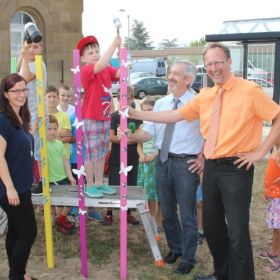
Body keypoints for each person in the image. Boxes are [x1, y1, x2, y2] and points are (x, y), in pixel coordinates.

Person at [128, 43, 280, 280]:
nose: (213, 68)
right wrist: (137, 114)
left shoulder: (249, 90)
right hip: (211, 167)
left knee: (238, 232)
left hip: (236, 169)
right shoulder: (206, 96)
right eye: (209, 63)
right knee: (211, 227)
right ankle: (222, 273)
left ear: (229, 62)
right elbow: (174, 115)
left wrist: (260, 152)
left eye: (218, 62)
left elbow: (277, 116)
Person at [127, 61, 204, 275]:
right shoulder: (161, 103)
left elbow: (210, 133)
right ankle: (175, 248)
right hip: (162, 161)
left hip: (185, 164)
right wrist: (132, 137)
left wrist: (203, 159)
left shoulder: (198, 102)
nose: (170, 77)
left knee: (186, 213)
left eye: (175, 74)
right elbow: (149, 133)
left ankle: (188, 258)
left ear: (188, 79)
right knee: (167, 211)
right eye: (169, 73)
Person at [0, 73, 37, 280]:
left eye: (24, 89)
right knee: (28, 232)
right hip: (10, 188)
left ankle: (18, 273)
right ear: (5, 94)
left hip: (22, 186)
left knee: (15, 229)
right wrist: (10, 187)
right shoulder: (3, 120)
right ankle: (17, 275)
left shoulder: (19, 119)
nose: (21, 94)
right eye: (16, 91)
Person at [76, 35, 121, 198]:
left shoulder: (106, 68)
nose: (95, 54)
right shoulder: (87, 69)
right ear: (82, 58)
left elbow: (118, 73)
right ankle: (89, 184)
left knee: (101, 152)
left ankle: (99, 183)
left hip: (104, 117)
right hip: (90, 117)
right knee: (90, 152)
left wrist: (125, 64)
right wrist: (114, 45)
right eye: (90, 53)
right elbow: (101, 63)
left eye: (97, 51)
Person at [103, 87, 142, 226]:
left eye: (128, 97)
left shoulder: (137, 116)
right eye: (121, 97)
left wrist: (131, 138)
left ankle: (128, 213)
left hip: (132, 157)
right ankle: (109, 213)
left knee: (130, 184)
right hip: (117, 157)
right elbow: (110, 136)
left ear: (132, 99)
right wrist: (121, 140)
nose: (125, 100)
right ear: (118, 99)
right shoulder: (115, 116)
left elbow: (140, 135)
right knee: (114, 184)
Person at [18, 40, 47, 183]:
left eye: (35, 47)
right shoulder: (24, 64)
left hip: (36, 113)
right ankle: (31, 179)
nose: (31, 49)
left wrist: (24, 57)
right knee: (27, 149)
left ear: (40, 49)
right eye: (28, 46)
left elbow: (24, 79)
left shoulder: (38, 64)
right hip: (25, 113)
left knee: (38, 150)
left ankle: (42, 180)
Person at [47, 115, 76, 235]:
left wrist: (70, 176)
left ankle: (60, 219)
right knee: (59, 202)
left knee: (72, 199)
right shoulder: (42, 145)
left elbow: (66, 161)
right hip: (51, 180)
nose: (53, 131)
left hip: (63, 177)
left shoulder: (59, 144)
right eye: (49, 129)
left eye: (55, 128)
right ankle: (60, 221)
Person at [137, 97, 162, 230]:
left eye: (150, 110)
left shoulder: (160, 125)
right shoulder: (142, 126)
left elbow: (164, 145)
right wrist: (141, 155)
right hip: (146, 164)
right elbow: (139, 145)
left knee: (161, 194)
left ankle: (160, 221)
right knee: (149, 194)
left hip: (157, 162)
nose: (147, 112)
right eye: (144, 110)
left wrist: (153, 155)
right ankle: (151, 220)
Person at [258, 140, 280, 272]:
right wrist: (268, 191)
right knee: (275, 227)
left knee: (279, 228)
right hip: (274, 196)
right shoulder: (275, 151)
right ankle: (273, 251)